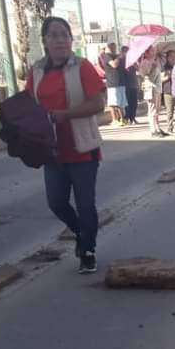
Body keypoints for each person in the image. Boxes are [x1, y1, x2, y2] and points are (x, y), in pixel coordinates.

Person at [27, 17, 106, 274]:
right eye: (54, 35)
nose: (60, 39)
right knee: (56, 202)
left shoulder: (82, 67)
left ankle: (88, 251)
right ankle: (82, 234)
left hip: (82, 148)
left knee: (85, 205)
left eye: (64, 34)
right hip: (52, 151)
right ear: (45, 41)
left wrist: (64, 114)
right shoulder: (36, 71)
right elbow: (29, 104)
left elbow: (98, 103)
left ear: (71, 40)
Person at [138, 48, 167, 139]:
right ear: (146, 52)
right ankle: (153, 129)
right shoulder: (145, 62)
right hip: (150, 88)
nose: (153, 52)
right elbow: (145, 75)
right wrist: (152, 67)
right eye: (151, 51)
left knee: (157, 110)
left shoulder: (155, 61)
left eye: (153, 50)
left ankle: (158, 128)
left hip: (157, 88)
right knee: (152, 110)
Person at [100, 42, 126, 126]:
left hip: (120, 82)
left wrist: (121, 56)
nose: (113, 48)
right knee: (113, 103)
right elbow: (114, 64)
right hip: (112, 83)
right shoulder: (107, 56)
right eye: (112, 47)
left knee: (121, 103)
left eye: (114, 46)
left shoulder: (116, 56)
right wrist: (119, 57)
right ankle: (115, 120)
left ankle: (122, 119)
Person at [120, 46, 140, 125]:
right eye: (126, 52)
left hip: (133, 84)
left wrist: (135, 64)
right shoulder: (121, 61)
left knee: (134, 102)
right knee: (127, 103)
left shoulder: (132, 61)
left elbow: (138, 69)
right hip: (126, 84)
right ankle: (127, 118)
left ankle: (133, 117)